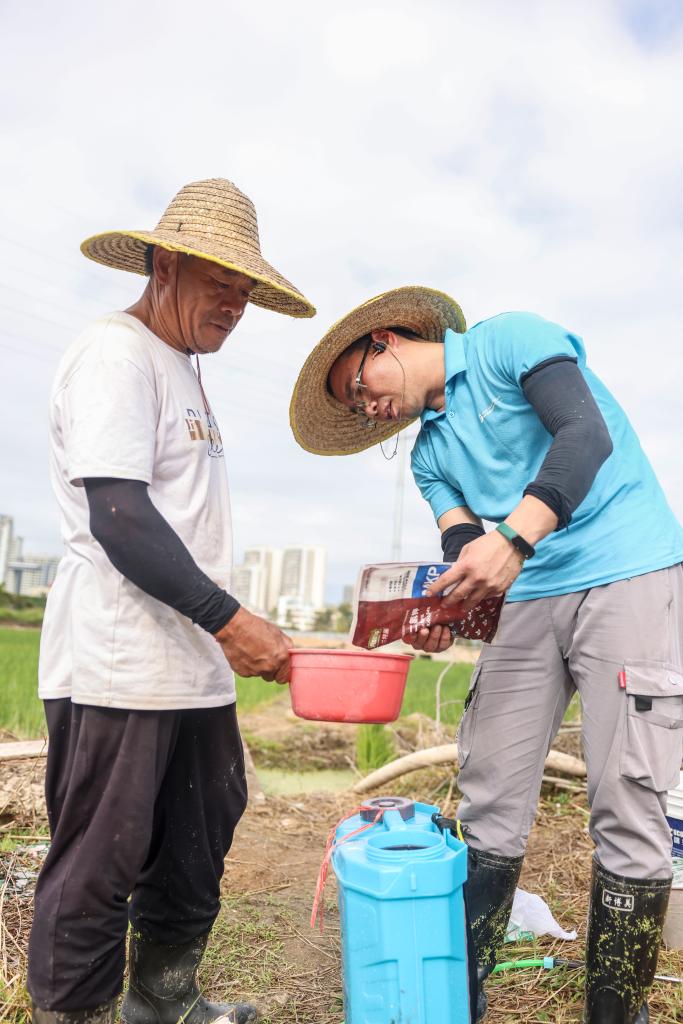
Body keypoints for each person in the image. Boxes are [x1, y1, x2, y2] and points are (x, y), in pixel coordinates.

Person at [289, 286, 683, 1024]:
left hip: (626, 567)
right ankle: (453, 1000)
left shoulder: (511, 340)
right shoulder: (429, 458)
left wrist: (515, 539)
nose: (363, 407)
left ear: (386, 340)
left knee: (627, 797)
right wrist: (448, 610)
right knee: (491, 790)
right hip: (527, 592)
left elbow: (582, 436)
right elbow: (462, 548)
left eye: (357, 387)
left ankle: (615, 1013)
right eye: (350, 408)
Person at [28, 178, 315, 1024]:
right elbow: (118, 516)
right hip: (120, 660)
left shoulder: (182, 365)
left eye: (245, 290)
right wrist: (232, 620)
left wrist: (227, 625)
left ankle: (164, 998)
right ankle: (75, 1014)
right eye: (218, 281)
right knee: (99, 862)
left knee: (199, 835)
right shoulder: (115, 352)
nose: (234, 303)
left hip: (190, 660)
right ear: (162, 265)